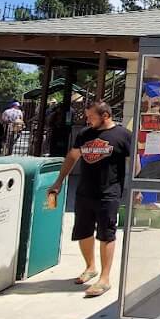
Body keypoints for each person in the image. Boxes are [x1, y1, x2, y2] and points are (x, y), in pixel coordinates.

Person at [45, 101, 132, 299]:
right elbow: (72, 156)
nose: (88, 120)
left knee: (106, 233)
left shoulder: (122, 135)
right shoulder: (84, 134)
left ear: (106, 116)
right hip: (85, 192)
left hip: (109, 192)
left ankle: (105, 278)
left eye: (91, 117)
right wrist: (58, 181)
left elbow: (134, 159)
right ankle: (90, 267)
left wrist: (138, 186)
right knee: (83, 231)